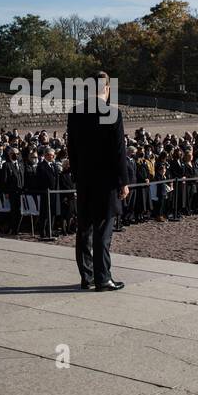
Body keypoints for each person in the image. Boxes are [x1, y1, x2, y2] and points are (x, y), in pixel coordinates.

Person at [66, 72, 131, 291]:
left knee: (84, 230)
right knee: (103, 232)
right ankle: (103, 277)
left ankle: (87, 277)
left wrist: (77, 176)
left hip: (85, 180)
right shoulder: (113, 113)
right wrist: (123, 181)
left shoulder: (75, 113)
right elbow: (119, 152)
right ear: (107, 89)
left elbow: (72, 150)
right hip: (106, 182)